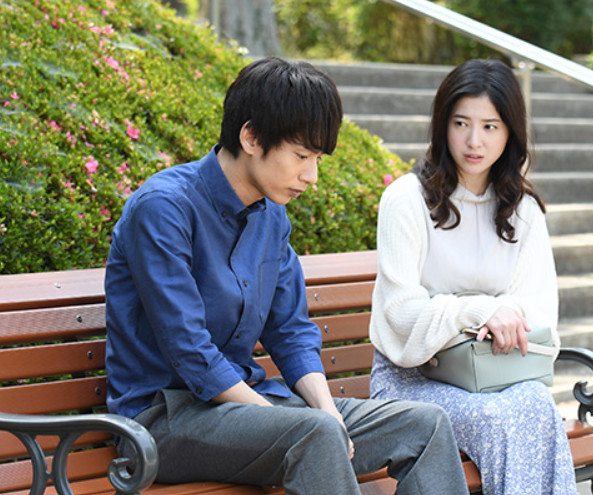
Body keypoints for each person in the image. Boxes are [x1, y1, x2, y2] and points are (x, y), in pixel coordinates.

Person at [105, 57, 469, 495]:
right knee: (314, 435)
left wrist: (325, 410)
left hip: (256, 408)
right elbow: (190, 351)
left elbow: (290, 332)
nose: (311, 176)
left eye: (317, 159)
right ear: (251, 137)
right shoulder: (163, 209)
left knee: (424, 425)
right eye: (301, 156)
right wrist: (288, 419)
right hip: (162, 422)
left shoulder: (271, 216)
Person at [369, 59, 578, 494]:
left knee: (537, 403)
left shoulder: (523, 210)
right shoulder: (406, 200)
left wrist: (500, 317)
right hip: (411, 380)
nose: (473, 141)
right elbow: (400, 313)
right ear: (442, 125)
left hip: (496, 374)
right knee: (498, 419)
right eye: (461, 123)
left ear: (510, 132)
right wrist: (481, 311)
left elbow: (540, 308)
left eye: (490, 126)